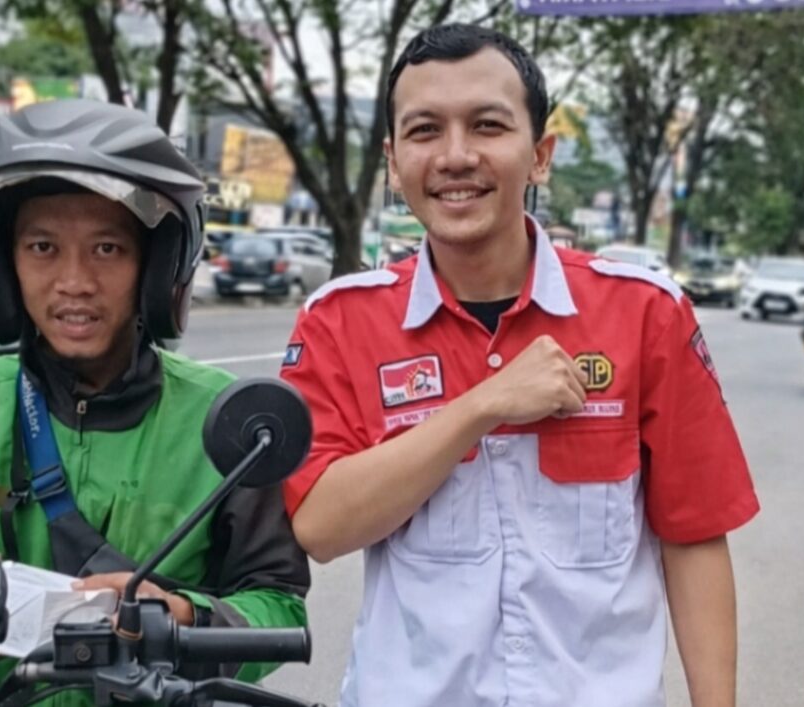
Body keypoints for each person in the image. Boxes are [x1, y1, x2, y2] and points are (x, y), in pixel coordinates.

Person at [280, 23, 759, 707]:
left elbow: (694, 537)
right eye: (424, 131)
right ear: (393, 161)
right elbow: (321, 527)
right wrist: (482, 406)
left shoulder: (645, 313)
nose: (455, 156)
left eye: (487, 125)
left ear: (539, 155)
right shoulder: (339, 321)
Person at [0, 99, 310, 703]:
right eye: (42, 248)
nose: (75, 282)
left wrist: (179, 617)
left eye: (107, 249)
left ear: (158, 268)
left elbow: (278, 604)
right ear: (0, 266)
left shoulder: (223, 423)